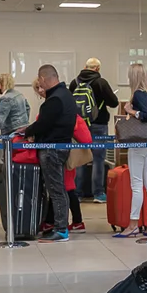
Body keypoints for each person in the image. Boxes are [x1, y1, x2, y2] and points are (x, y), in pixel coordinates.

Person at [23, 65, 77, 243]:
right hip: (62, 147)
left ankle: (61, 230)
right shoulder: (67, 95)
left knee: (56, 189)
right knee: (58, 188)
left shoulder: (54, 100)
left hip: (52, 149)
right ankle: (59, 226)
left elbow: (43, 124)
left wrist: (27, 131)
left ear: (43, 79)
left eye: (40, 81)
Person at [33, 79, 90, 234]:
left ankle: (64, 224)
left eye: (40, 86)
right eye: (36, 88)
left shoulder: (56, 104)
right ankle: (56, 222)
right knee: (60, 189)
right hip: (64, 153)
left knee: (63, 189)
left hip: (62, 155)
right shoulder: (59, 101)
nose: (40, 90)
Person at [70, 58, 120, 202]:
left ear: (85, 67)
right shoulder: (101, 82)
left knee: (80, 159)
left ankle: (77, 193)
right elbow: (114, 102)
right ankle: (98, 193)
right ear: (97, 69)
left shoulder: (75, 82)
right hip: (98, 124)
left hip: (79, 126)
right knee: (98, 159)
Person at [116, 64, 147, 239]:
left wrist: (130, 111)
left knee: (137, 184)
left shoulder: (138, 94)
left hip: (138, 144)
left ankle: (133, 224)